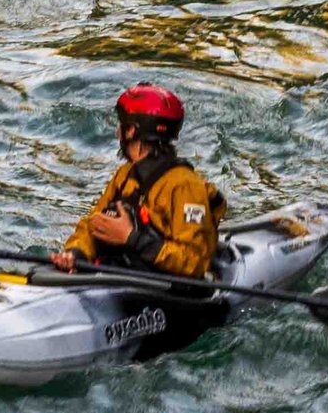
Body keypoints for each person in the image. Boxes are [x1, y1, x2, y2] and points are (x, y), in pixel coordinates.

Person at [59, 82, 226, 280]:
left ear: (131, 131)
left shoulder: (185, 186)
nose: (117, 132)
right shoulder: (125, 175)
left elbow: (194, 262)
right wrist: (75, 253)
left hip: (164, 290)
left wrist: (132, 238)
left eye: (121, 125)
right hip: (123, 273)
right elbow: (94, 224)